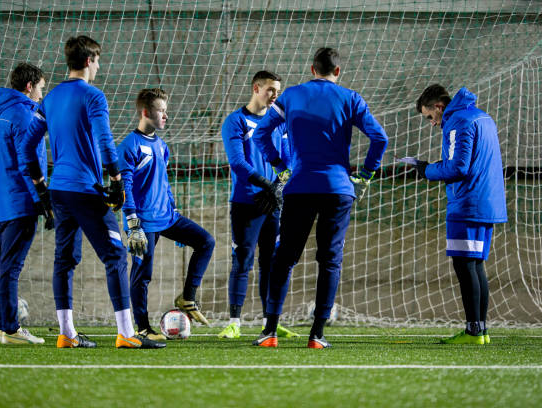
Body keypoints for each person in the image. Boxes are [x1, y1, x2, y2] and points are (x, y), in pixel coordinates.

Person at [21, 36, 165, 349]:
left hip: (59, 190)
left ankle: (67, 334)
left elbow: (28, 145)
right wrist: (115, 178)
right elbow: (104, 141)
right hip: (85, 191)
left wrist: (40, 184)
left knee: (65, 260)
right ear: (89, 61)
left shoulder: (50, 98)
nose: (98, 66)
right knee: (115, 256)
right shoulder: (94, 96)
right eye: (98, 61)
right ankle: (127, 333)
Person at [251, 47, 388, 348]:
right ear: (337, 72)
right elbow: (380, 138)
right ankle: (317, 335)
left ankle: (270, 332)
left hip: (299, 186)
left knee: (284, 259)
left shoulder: (290, 96)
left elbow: (260, 135)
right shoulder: (351, 98)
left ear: (312, 69)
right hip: (338, 190)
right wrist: (366, 174)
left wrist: (281, 166)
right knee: (329, 260)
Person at [117, 88, 215, 338]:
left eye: (165, 111)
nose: (166, 115)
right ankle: (143, 328)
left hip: (167, 216)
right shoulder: (129, 146)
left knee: (206, 241)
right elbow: (124, 186)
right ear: (145, 112)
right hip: (142, 221)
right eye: (161, 110)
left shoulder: (161, 146)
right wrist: (132, 222)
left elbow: (163, 182)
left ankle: (187, 298)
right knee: (143, 274)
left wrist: (173, 208)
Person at [414, 84, 507, 345]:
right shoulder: (482, 116)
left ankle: (473, 331)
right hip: (486, 201)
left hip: (468, 202)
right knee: (475, 264)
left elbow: (458, 167)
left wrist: (427, 170)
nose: (432, 124)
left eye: (430, 117)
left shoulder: (457, 122)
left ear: (439, 107)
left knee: (465, 265)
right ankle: (481, 330)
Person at [218, 70, 298, 339]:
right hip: (246, 201)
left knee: (271, 263)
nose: (275, 95)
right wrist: (266, 184)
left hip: (273, 201)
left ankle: (269, 323)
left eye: (278, 90)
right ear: (256, 88)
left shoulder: (281, 123)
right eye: (271, 90)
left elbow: (288, 161)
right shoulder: (236, 121)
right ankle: (234, 323)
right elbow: (238, 163)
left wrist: (277, 186)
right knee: (242, 260)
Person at [0, 62, 51, 345]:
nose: (41, 94)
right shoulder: (25, 116)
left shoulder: (3, 114)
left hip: (5, 201)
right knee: (11, 267)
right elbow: (29, 164)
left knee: (4, 265)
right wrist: (42, 200)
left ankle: (6, 326)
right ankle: (10, 329)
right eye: (40, 88)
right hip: (22, 201)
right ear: (29, 87)